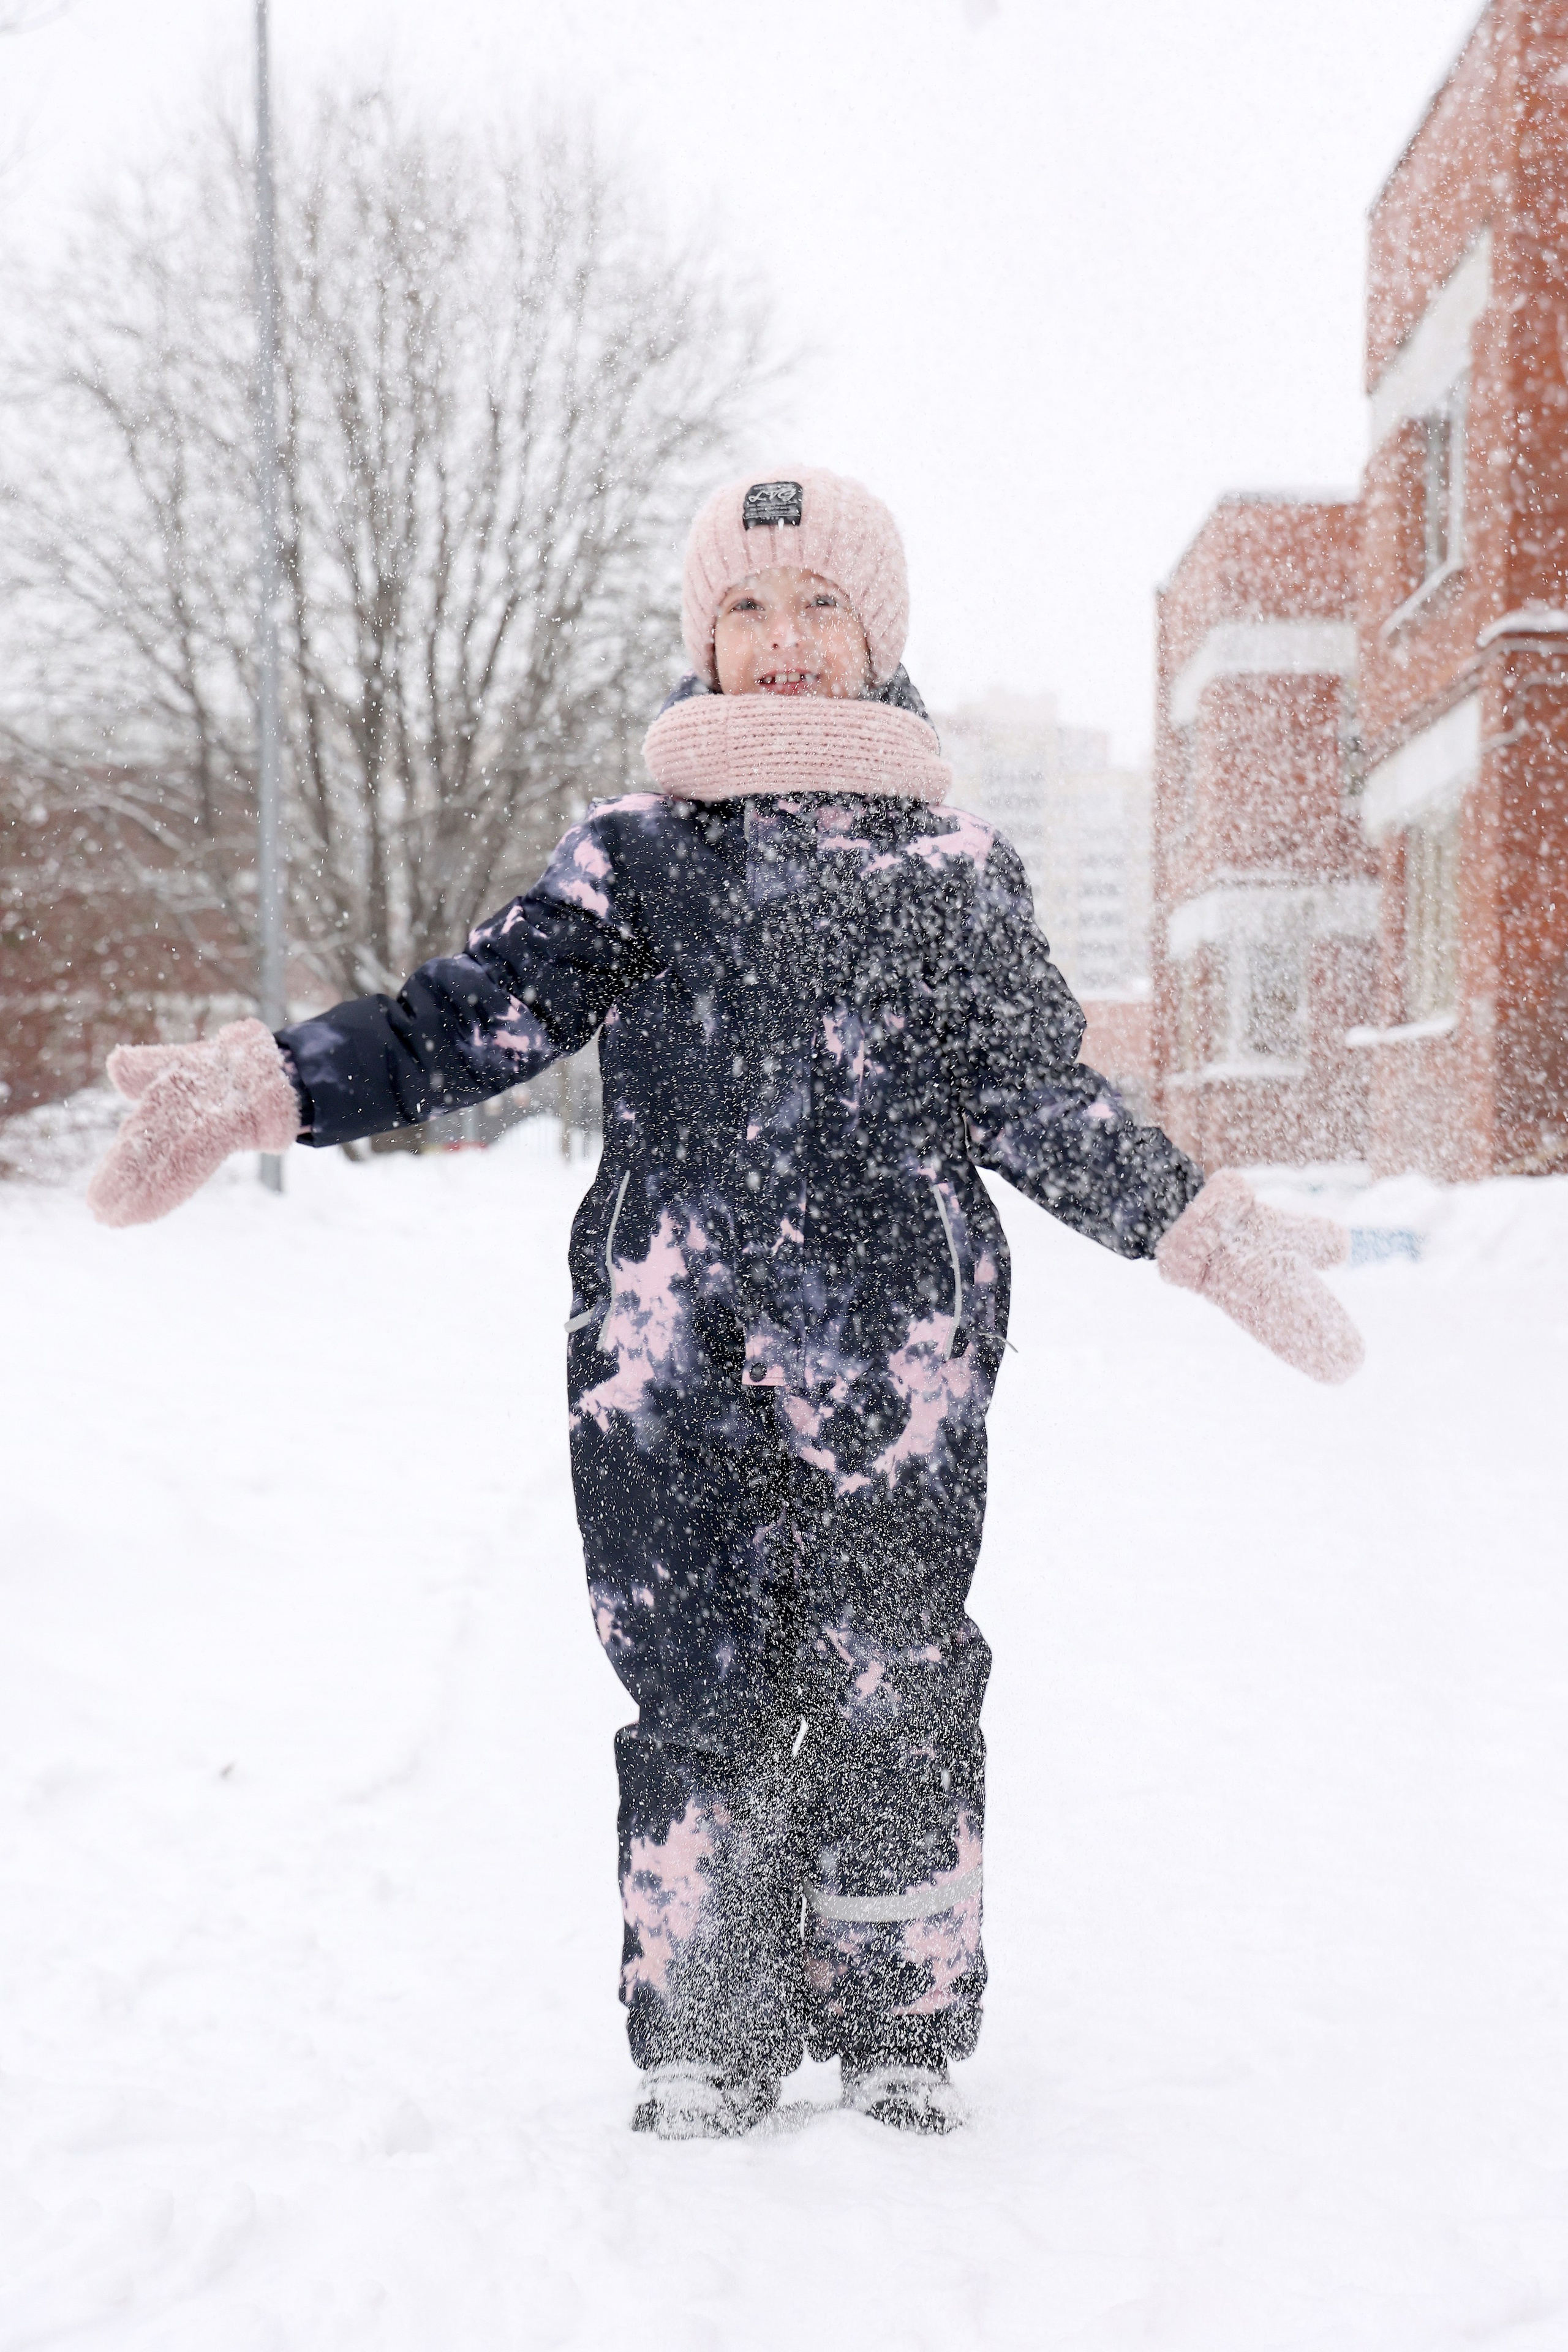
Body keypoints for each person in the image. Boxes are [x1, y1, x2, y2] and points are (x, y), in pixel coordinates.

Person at [88, 467, 1362, 2140]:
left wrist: (1197, 1226)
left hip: (894, 1360)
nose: (781, 640)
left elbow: (1040, 1102)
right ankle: (708, 2018)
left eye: (821, 605)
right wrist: (265, 1085)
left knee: (895, 1672)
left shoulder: (955, 873)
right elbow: (454, 1022)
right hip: (660, 1358)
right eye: (747, 607)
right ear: (704, 636)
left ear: (877, 634)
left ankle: (898, 2016)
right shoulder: (635, 861)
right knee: (693, 1675)